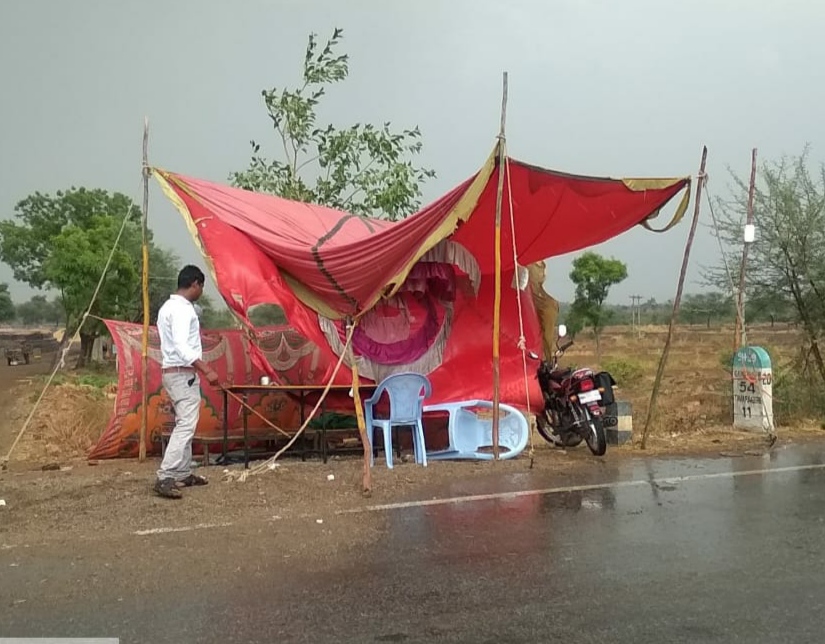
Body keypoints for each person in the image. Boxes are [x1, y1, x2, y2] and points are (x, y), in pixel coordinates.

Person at [153, 265, 220, 499]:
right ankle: (166, 475)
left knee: (186, 422)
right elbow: (182, 347)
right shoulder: (182, 310)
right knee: (186, 425)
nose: (201, 291)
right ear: (195, 284)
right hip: (182, 373)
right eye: (201, 286)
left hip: (175, 372)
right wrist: (207, 369)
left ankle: (181, 472)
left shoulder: (167, 307)